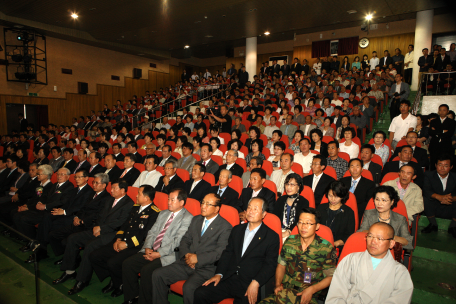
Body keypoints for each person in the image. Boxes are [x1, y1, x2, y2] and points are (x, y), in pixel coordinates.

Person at [194, 197, 280, 304]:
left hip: (249, 283)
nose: (250, 211)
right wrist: (219, 274)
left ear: (263, 214)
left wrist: (256, 282)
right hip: (229, 278)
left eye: (255, 209)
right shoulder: (237, 230)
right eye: (249, 208)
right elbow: (227, 253)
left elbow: (270, 265)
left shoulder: (271, 237)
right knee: (200, 293)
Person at [150, 193, 232, 304]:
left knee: (189, 288)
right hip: (186, 262)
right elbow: (185, 240)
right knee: (158, 274)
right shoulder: (196, 219)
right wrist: (187, 255)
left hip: (206, 268)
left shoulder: (225, 227)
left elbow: (219, 252)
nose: (203, 206)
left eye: (208, 204)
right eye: (202, 202)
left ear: (216, 209)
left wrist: (198, 258)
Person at [52, 180, 134, 288]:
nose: (111, 190)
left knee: (90, 246)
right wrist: (97, 227)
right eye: (111, 188)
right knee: (73, 238)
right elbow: (100, 215)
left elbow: (120, 222)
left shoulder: (129, 203)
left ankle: (82, 280)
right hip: (98, 229)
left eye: (114, 188)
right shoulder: (110, 199)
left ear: (123, 190)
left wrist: (101, 228)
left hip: (112, 234)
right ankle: (69, 272)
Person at [85, 185, 161, 297]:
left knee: (113, 262)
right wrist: (119, 239)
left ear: (146, 197)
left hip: (136, 246)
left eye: (139, 193)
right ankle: (117, 279)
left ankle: (119, 284)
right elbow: (125, 225)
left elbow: (145, 235)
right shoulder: (135, 207)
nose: (136, 195)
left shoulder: (155, 212)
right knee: (95, 256)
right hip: (122, 240)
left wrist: (126, 244)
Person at [121, 189, 193, 304]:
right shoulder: (163, 213)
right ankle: (132, 297)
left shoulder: (188, 218)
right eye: (168, 199)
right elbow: (152, 232)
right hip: (152, 250)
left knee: (147, 270)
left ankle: (146, 301)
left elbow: (177, 241)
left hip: (168, 254)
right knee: (128, 264)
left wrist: (158, 253)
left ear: (181, 202)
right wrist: (148, 247)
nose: (169, 202)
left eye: (172, 200)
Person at [260, 207, 337, 304]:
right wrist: (278, 284)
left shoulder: (326, 248)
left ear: (317, 226)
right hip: (285, 292)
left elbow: (330, 277)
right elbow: (281, 265)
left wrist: (312, 290)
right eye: (300, 222)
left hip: (308, 296)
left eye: (308, 223)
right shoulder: (290, 241)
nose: (303, 227)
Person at [326, 222, 414, 304]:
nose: (373, 242)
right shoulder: (351, 260)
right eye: (370, 236)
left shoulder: (400, 272)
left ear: (391, 243)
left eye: (380, 238)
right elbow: (336, 293)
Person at [358, 186, 413, 250]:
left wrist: (388, 237)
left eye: (384, 200)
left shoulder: (400, 219)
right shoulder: (369, 214)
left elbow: (408, 242)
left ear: (392, 202)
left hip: (390, 253)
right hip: (370, 250)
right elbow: (361, 232)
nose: (379, 203)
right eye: (377, 199)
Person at [421, 154, 456, 238]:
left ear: (451, 167)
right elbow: (426, 190)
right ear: (435, 165)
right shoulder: (428, 175)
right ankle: (433, 224)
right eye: (440, 165)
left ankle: (453, 226)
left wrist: (451, 198)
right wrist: (440, 197)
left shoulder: (455, 177)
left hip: (450, 205)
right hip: (434, 204)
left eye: (446, 166)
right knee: (425, 198)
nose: (442, 168)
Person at [317, 181, 355, 251]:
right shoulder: (320, 208)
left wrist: (335, 243)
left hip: (336, 246)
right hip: (319, 243)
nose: (333, 199)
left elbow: (349, 234)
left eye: (336, 197)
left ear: (342, 196)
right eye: (330, 196)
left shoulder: (348, 212)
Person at [274, 173, 309, 240]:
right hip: (279, 230)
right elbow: (275, 218)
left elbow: (300, 220)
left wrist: (288, 231)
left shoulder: (303, 202)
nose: (288, 187)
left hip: (295, 232)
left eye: (292, 185)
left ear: (298, 186)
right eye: (287, 184)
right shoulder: (281, 199)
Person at [428, 104, 455, 170]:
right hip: (434, 145)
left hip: (446, 145)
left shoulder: (452, 122)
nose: (442, 112)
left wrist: (437, 132)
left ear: (448, 111)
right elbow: (431, 132)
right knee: (433, 163)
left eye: (444, 110)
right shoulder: (434, 121)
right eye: (440, 110)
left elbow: (449, 133)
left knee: (445, 163)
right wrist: (443, 131)